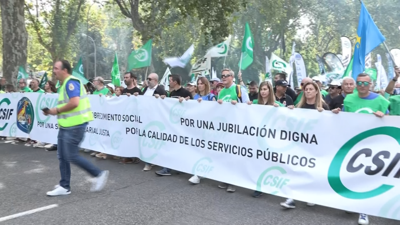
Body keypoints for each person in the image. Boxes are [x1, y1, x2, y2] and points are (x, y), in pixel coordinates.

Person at [332, 73, 390, 225]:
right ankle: (352, 203)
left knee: (367, 177)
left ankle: (364, 211)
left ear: (371, 84)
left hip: (372, 145)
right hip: (352, 142)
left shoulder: (381, 100)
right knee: (351, 174)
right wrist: (336, 114)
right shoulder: (349, 99)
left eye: (365, 83)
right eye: (359, 83)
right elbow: (345, 118)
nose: (362, 86)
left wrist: (383, 116)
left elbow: (390, 122)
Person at [44, 60, 109, 196]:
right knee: (62, 156)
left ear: (64, 70)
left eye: (56, 68)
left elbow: (74, 103)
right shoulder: (63, 85)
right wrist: (50, 111)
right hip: (66, 126)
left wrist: (55, 110)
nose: (54, 71)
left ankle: (98, 174)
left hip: (75, 126)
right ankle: (64, 185)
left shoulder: (71, 82)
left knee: (71, 155)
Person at [280, 82, 328, 209]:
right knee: (296, 170)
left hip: (316, 145)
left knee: (312, 171)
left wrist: (325, 114)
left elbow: (329, 126)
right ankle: (291, 198)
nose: (308, 91)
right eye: (306, 89)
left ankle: (310, 194)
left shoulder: (323, 107)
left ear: (317, 91)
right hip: (300, 145)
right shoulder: (299, 106)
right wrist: (289, 111)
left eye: (311, 89)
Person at [216, 68, 249, 193]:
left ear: (232, 77)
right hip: (225, 128)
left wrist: (238, 104)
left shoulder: (239, 89)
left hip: (237, 128)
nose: (223, 77)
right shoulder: (221, 92)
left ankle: (233, 181)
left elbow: (248, 106)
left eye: (226, 75)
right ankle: (225, 178)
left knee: (234, 155)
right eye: (222, 75)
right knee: (225, 154)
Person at [155, 74, 192, 176]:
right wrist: (163, 99)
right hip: (173, 125)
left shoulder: (185, 92)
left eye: (170, 80)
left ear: (175, 82)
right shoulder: (171, 93)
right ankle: (168, 168)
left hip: (183, 125)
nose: (169, 82)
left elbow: (193, 108)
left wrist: (186, 100)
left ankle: (176, 166)